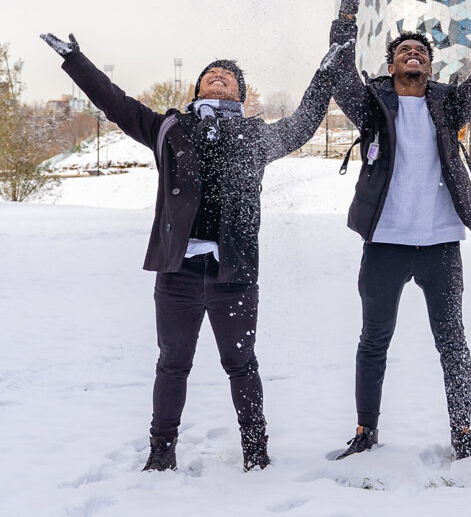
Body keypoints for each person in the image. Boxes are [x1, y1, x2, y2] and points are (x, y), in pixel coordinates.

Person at [41, 32, 344, 472]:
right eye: (211, 75)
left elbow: (304, 121)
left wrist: (326, 71)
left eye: (228, 76)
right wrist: (76, 61)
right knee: (172, 365)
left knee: (241, 365)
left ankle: (256, 452)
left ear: (241, 92)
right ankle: (161, 453)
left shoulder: (255, 138)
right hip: (178, 273)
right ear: (197, 89)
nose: (218, 77)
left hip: (233, 275)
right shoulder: (169, 128)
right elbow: (117, 105)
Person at [326, 0, 471, 460]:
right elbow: (337, 70)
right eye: (403, 50)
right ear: (391, 64)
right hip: (386, 243)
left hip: (439, 243)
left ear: (429, 66)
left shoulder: (449, 105)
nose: (412, 54)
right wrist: (348, 12)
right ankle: (364, 430)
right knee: (374, 341)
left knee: (452, 342)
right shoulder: (372, 105)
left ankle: (462, 431)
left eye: (420, 51)